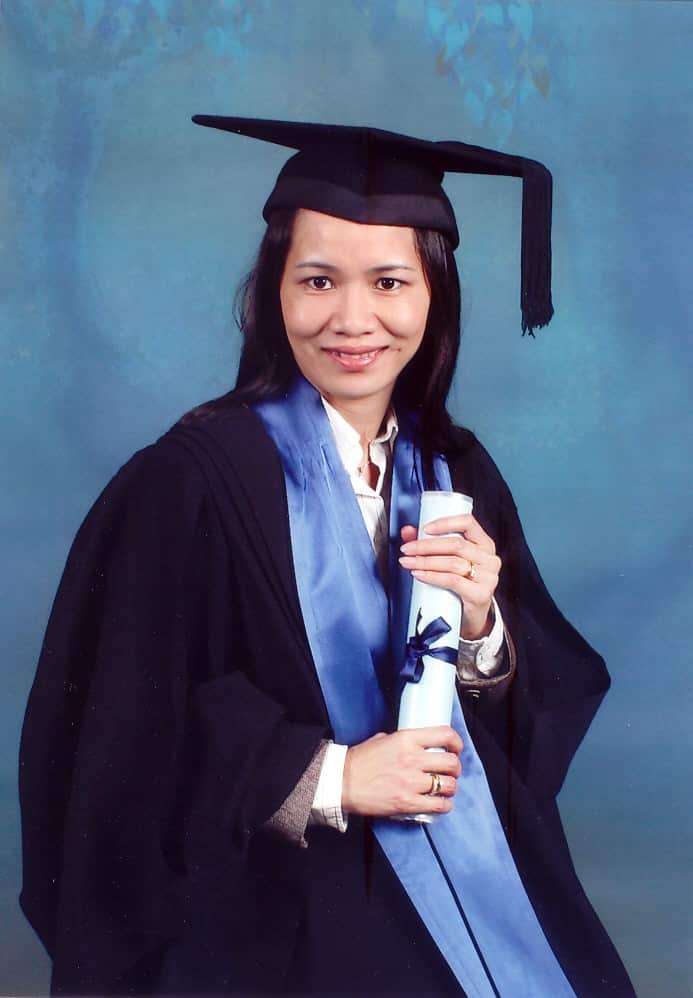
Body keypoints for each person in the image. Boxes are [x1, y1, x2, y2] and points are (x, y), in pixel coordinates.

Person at [19, 117, 635, 996]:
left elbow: (525, 720)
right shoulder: (190, 482)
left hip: (455, 862)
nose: (353, 319)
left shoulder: (455, 468)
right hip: (275, 896)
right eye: (317, 280)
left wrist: (480, 630)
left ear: (433, 298)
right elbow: (123, 730)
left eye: (389, 281)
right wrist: (333, 775)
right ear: (273, 292)